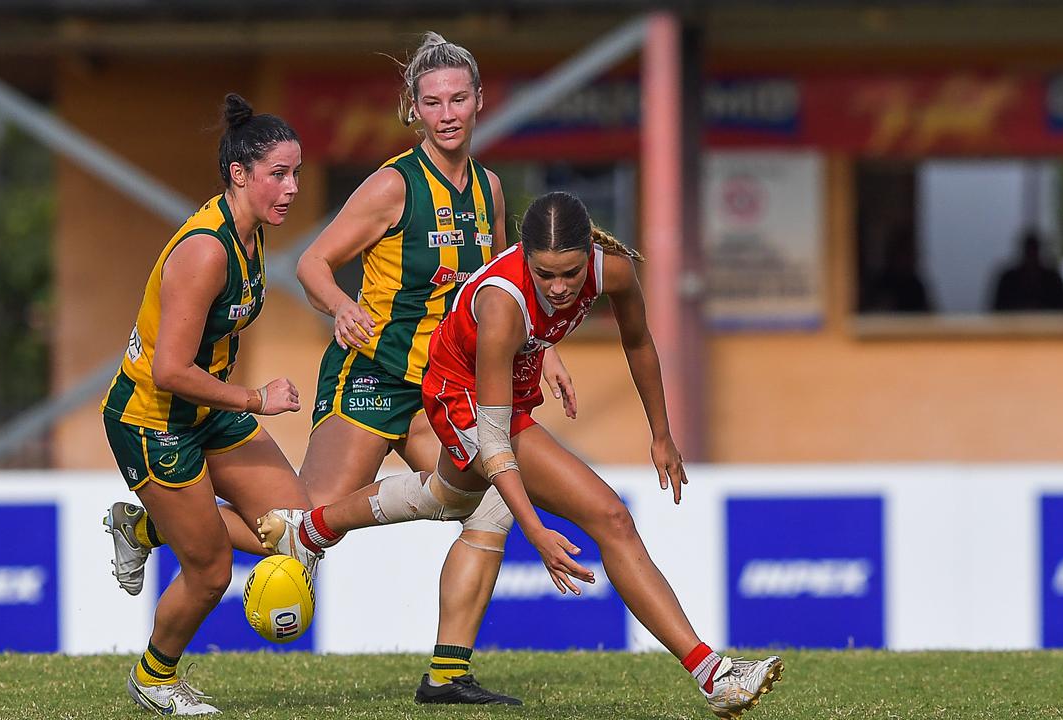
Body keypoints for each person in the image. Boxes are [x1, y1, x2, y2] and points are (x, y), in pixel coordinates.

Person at [260, 191, 785, 719]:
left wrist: (661, 433)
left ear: (590, 254)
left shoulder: (615, 272)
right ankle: (714, 674)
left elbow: (640, 343)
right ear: (525, 258)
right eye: (544, 274)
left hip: (511, 390)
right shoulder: (503, 304)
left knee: (468, 499)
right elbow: (495, 443)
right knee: (536, 506)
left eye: (571, 274)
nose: (558, 289)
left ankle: (310, 531)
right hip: (457, 393)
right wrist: (536, 533)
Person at [277, 31, 574, 706]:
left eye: (459, 99)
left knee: (494, 490)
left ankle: (448, 672)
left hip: (439, 388)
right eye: (432, 101)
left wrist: (544, 346)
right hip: (372, 378)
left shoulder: (489, 189)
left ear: (478, 103)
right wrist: (341, 307)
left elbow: (505, 282)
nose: (447, 112)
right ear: (414, 108)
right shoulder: (391, 185)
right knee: (297, 524)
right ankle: (156, 524)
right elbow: (310, 263)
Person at [99, 94, 315, 716]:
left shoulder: (251, 237)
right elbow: (168, 369)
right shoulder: (206, 250)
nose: (293, 187)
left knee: (299, 532)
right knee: (212, 571)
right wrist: (256, 399)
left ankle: (142, 526)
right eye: (280, 173)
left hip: (205, 410)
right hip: (152, 419)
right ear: (238, 174)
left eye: (297, 173)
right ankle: (155, 678)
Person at [991, 229, 1063, 311]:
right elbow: (997, 309)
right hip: (1013, 323)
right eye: (1029, 251)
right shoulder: (1008, 279)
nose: (1031, 256)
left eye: (1033, 251)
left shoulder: (1052, 279)